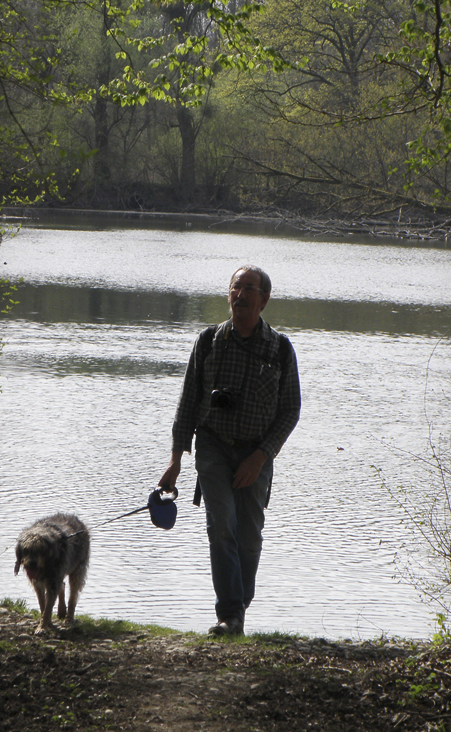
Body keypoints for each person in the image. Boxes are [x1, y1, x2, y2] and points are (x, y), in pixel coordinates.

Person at [159, 265, 301, 636]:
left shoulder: (281, 349)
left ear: (264, 299)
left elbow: (290, 411)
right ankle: (230, 614)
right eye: (236, 287)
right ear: (229, 294)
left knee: (249, 535)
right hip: (213, 447)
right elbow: (187, 403)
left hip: (256, 453)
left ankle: (238, 608)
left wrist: (261, 456)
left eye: (249, 289)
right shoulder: (208, 342)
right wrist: (175, 460)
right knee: (221, 526)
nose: (240, 295)